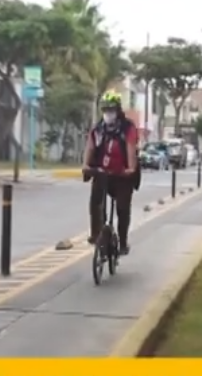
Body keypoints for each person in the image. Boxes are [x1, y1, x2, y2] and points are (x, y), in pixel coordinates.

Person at [82, 90, 138, 255]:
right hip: (102, 172)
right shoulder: (97, 129)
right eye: (105, 110)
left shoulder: (128, 128)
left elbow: (131, 148)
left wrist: (130, 169)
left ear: (118, 110)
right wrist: (86, 165)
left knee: (122, 207)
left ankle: (123, 242)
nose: (108, 113)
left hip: (121, 175)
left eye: (111, 109)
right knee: (96, 202)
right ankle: (96, 234)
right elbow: (90, 147)